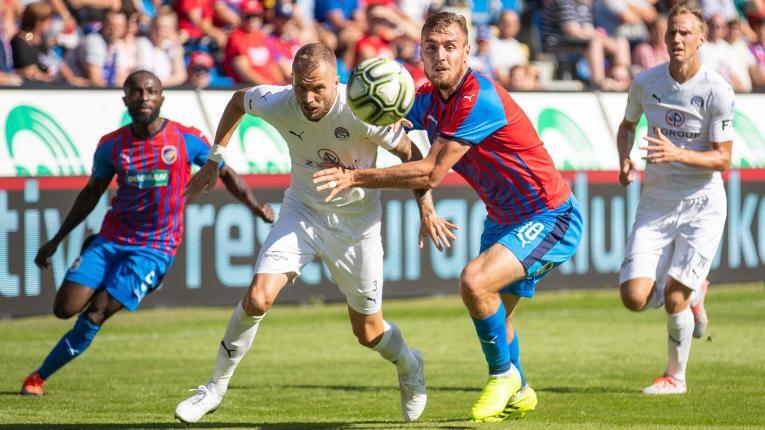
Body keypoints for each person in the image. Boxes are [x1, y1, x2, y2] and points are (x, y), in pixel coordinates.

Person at [314, 11, 583, 422]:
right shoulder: (425, 99)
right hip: (504, 217)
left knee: (474, 282)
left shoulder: (478, 98)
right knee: (496, 310)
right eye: (432, 47)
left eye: (450, 47)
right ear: (421, 51)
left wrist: (355, 177)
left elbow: (429, 170)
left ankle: (501, 375)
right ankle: (521, 389)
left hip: (549, 214)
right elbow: (394, 133)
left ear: (467, 53)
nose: (441, 55)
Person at [174, 43, 456, 424]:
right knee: (258, 298)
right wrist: (214, 156)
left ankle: (409, 365)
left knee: (369, 332)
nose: (308, 98)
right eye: (300, 86)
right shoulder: (279, 101)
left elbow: (413, 158)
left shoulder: (363, 112)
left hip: (357, 228)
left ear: (336, 83)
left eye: (318, 88)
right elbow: (239, 100)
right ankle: (214, 387)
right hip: (302, 213)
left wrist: (426, 209)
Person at [20, 70, 274, 397]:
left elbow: (225, 172)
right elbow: (90, 194)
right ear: (125, 99)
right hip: (110, 241)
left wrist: (255, 207)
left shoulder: (184, 139)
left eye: (150, 91)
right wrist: (55, 242)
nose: (143, 97)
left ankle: (38, 377)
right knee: (63, 309)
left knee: (96, 312)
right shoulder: (111, 145)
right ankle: (93, 257)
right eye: (136, 92)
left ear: (161, 98)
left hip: (154, 249)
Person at [616, 4, 733, 395]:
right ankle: (696, 293)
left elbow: (724, 157)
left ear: (702, 38)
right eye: (672, 33)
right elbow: (627, 125)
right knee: (633, 298)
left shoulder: (717, 89)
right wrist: (625, 162)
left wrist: (677, 153)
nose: (677, 39)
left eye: (685, 33)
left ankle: (675, 377)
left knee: (673, 297)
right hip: (656, 203)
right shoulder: (646, 82)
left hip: (702, 204)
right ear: (663, 38)